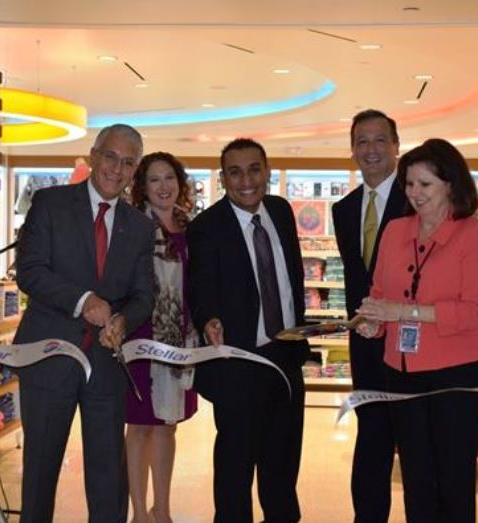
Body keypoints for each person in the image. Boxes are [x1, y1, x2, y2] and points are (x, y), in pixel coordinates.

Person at [13, 124, 155, 523]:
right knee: (40, 473)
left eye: (128, 163)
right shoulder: (50, 203)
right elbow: (30, 271)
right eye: (110, 157)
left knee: (109, 478)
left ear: (135, 170)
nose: (117, 169)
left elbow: (144, 295)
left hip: (107, 365)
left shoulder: (140, 226)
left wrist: (124, 320)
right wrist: (83, 301)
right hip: (48, 359)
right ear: (93, 156)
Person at [356, 138, 478, 523]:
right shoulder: (394, 231)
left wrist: (402, 311)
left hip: (458, 373)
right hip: (401, 371)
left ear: (451, 184)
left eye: (425, 184)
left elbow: (474, 312)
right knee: (415, 475)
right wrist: (373, 322)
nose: (414, 193)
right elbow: (380, 293)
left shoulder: (474, 234)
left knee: (453, 475)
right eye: (409, 184)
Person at [187, 138, 309, 523]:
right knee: (235, 470)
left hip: (286, 358)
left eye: (254, 170)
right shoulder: (207, 227)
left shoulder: (281, 211)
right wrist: (208, 319)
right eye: (235, 172)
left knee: (283, 465)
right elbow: (199, 288)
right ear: (223, 178)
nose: (246, 181)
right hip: (238, 363)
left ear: (267, 171)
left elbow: (291, 277)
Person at [331, 109, 407, 523]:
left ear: (396, 146)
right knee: (372, 438)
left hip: (412, 344)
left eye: (380, 140)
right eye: (362, 141)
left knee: (415, 444)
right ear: (352, 149)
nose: (371, 149)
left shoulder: (417, 199)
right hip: (364, 345)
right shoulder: (343, 210)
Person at [125, 152, 199, 523]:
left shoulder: (191, 227)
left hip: (180, 339)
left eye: (169, 177)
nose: (163, 186)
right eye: (154, 179)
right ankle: (140, 512)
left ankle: (163, 510)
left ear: (180, 183)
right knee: (139, 426)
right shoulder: (134, 227)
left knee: (167, 426)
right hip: (141, 336)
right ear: (143, 186)